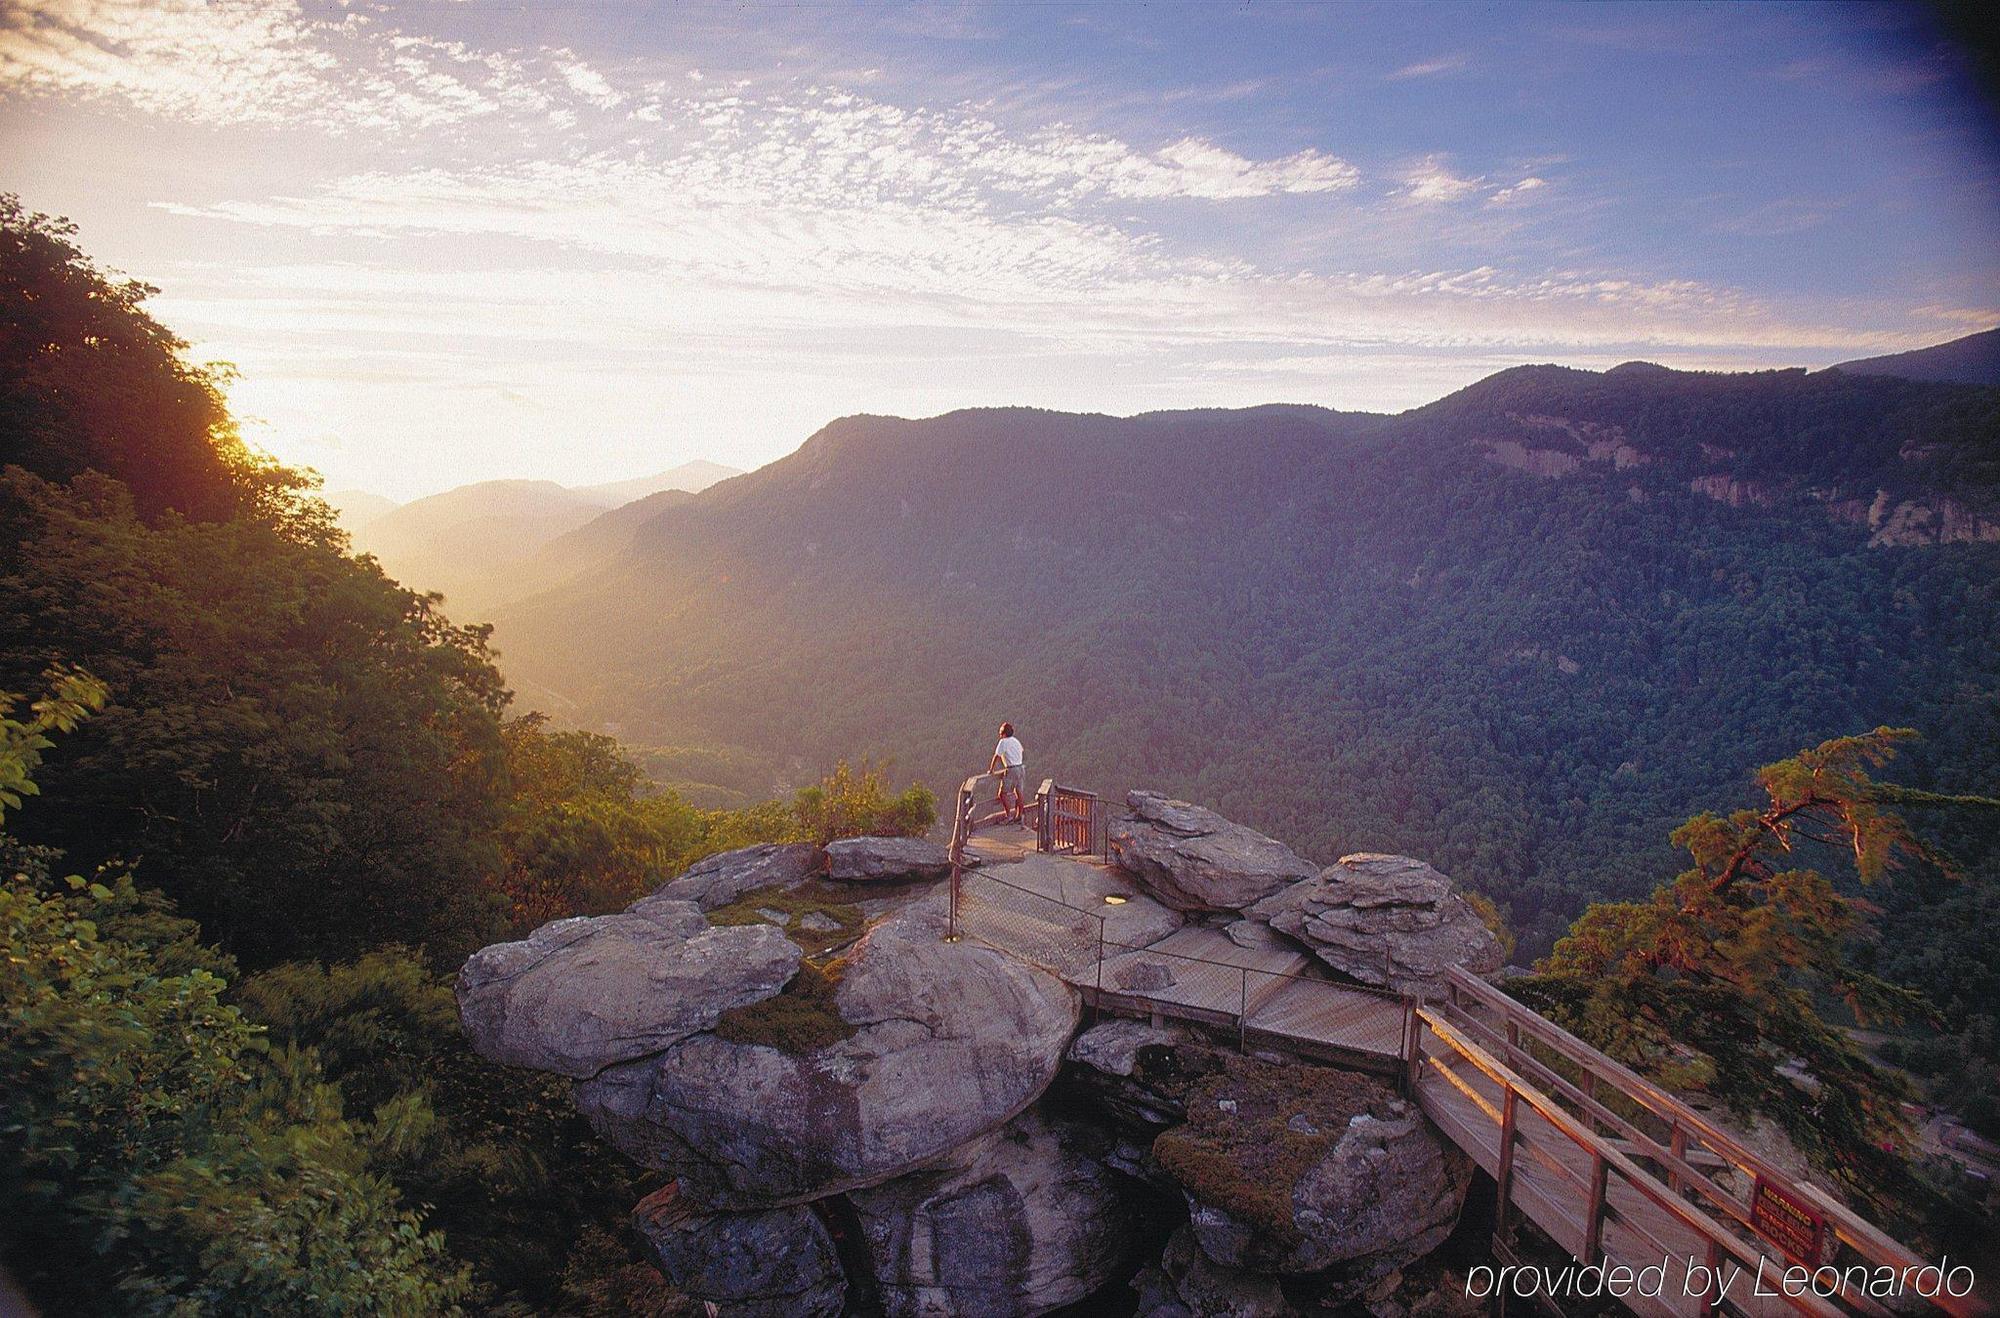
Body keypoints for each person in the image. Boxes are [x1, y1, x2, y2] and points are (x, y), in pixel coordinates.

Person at [990, 721, 1026, 823]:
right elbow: (1021, 750)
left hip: (1012, 769)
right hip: (1021, 768)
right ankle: (1019, 815)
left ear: (1004, 734)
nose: (1000, 735)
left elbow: (996, 756)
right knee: (1019, 792)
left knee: (1002, 793)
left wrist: (991, 769)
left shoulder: (1003, 742)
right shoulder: (1016, 741)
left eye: (1000, 733)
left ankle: (1009, 816)